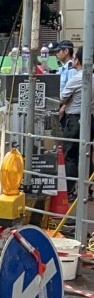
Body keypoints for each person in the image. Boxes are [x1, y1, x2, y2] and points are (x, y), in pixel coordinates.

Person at [58, 46, 85, 199]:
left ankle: (70, 190)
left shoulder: (76, 78)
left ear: (77, 60)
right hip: (90, 119)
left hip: (74, 119)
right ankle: (89, 190)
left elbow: (62, 97)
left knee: (71, 155)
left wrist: (64, 105)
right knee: (88, 152)